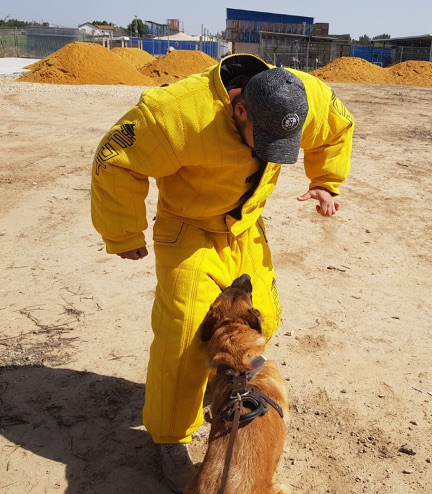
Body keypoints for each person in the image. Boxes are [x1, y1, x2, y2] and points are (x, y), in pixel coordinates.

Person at [91, 53, 354, 493]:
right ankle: (171, 438)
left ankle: (229, 396)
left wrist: (327, 180)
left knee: (261, 318)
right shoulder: (174, 114)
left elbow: (338, 128)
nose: (267, 152)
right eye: (261, 138)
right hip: (189, 229)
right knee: (184, 335)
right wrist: (122, 232)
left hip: (246, 227)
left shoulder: (307, 97)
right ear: (240, 108)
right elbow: (115, 157)